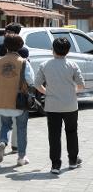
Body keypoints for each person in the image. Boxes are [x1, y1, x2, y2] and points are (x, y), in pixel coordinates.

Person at [35, 37, 85, 175]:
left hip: (52, 106)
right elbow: (81, 85)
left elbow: (37, 84)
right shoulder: (73, 65)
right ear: (68, 51)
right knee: (72, 132)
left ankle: (55, 165)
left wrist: (47, 92)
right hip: (70, 105)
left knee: (54, 136)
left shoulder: (44, 65)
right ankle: (73, 161)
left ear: (53, 50)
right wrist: (72, 92)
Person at [0, 34, 34, 166]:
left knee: (5, 125)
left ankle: (2, 141)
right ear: (20, 47)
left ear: (5, 46)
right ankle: (21, 157)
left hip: (2, 100)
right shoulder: (24, 62)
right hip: (18, 102)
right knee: (21, 128)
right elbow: (31, 80)